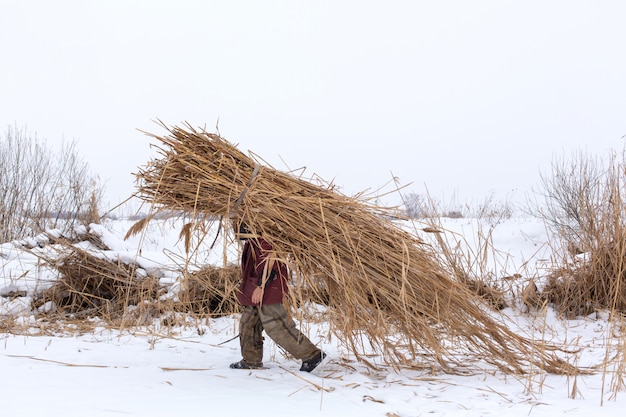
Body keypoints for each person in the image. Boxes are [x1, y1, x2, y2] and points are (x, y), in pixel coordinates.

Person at [229, 222, 325, 372]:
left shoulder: (266, 239)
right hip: (254, 287)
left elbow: (271, 265)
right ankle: (251, 360)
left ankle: (311, 355)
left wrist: (261, 286)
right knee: (248, 323)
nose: (237, 230)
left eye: (240, 225)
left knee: (276, 325)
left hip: (267, 287)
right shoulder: (253, 239)